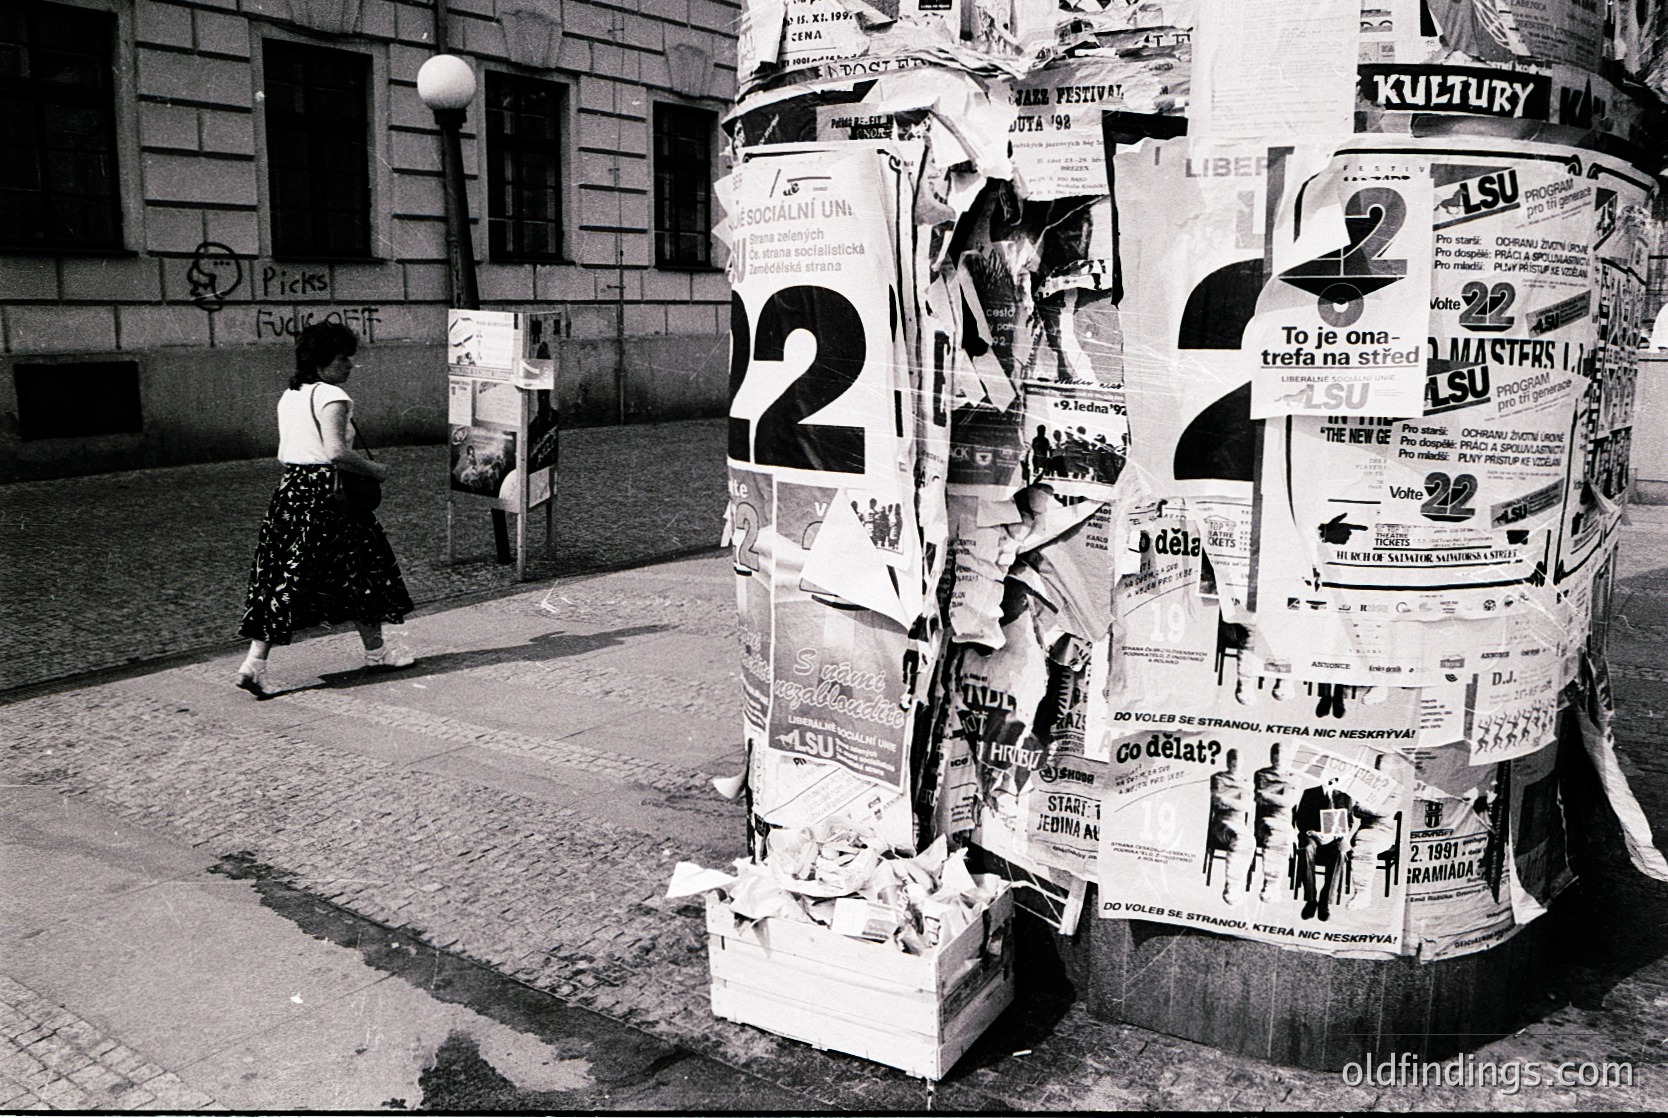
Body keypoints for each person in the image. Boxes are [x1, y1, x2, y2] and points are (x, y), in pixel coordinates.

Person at [235, 323, 416, 695]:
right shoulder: (332, 395)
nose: (350, 364)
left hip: (292, 491)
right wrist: (376, 470)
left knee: (283, 576)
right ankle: (377, 653)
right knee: (363, 569)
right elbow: (335, 452)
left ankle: (255, 663)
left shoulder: (291, 395)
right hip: (331, 496)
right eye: (343, 358)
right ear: (321, 361)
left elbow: (287, 450)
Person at [1294, 774, 1354, 921]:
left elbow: (1349, 823)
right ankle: (1311, 900)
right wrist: (1313, 833)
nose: (1332, 780)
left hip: (1332, 840)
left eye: (1336, 778)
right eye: (1329, 776)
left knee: (1341, 852)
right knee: (1306, 848)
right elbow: (1300, 819)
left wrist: (1333, 835)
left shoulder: (1345, 797)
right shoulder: (1310, 793)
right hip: (1313, 838)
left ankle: (1325, 901)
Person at [1252, 743, 1296, 902]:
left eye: (1282, 754)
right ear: (1271, 756)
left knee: (1283, 835)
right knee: (1274, 832)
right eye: (1275, 753)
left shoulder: (1294, 776)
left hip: (1285, 823)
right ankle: (1271, 882)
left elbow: (1288, 802)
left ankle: (1272, 883)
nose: (1278, 757)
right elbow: (1259, 798)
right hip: (1265, 821)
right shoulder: (1261, 774)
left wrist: (1267, 795)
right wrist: (1280, 796)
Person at [1208, 748, 1252, 906]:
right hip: (1222, 823)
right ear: (1227, 760)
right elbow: (1217, 801)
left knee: (1250, 842)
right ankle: (1231, 886)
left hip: (1239, 824)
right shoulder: (1218, 778)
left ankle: (1236, 882)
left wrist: (1227, 800)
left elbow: (1246, 807)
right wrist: (1236, 803)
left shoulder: (1246, 782)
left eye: (1238, 759)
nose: (1235, 762)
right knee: (1239, 838)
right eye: (1233, 758)